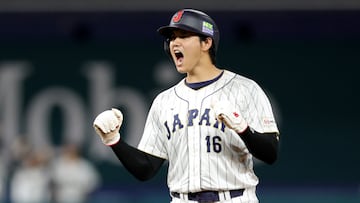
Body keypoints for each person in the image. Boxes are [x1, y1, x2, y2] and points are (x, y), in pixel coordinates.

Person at [93, 8, 280, 203]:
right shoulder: (164, 101)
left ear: (206, 42)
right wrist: (113, 140)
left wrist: (243, 129)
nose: (175, 42)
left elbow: (270, 153)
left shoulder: (245, 89)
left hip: (234, 197)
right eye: (172, 38)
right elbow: (146, 168)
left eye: (183, 35)